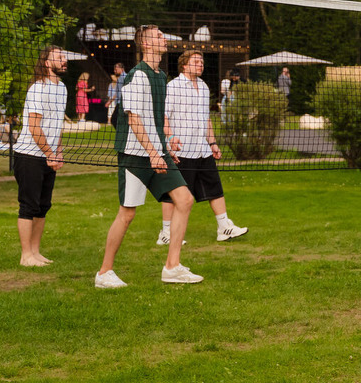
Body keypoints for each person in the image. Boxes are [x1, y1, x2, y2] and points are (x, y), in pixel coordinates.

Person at [95, 25, 204, 288]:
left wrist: (165, 145)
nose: (163, 38)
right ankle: (104, 273)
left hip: (156, 152)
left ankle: (172, 266)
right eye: (157, 36)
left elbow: (153, 119)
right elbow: (133, 119)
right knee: (127, 214)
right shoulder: (136, 76)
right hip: (135, 155)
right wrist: (154, 153)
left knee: (185, 200)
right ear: (145, 44)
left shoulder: (160, 76)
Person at [158, 50, 249, 245]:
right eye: (196, 61)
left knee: (214, 187)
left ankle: (224, 227)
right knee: (173, 193)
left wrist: (213, 143)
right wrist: (171, 137)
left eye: (202, 61)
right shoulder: (173, 87)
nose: (201, 64)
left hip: (202, 149)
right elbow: (162, 116)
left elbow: (205, 119)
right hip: (180, 149)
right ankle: (165, 233)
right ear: (184, 65)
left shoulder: (204, 86)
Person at [13, 45, 68, 267]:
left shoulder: (62, 88)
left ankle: (35, 252)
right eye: (59, 57)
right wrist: (49, 153)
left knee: (43, 206)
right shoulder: (38, 88)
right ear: (47, 63)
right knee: (29, 205)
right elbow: (34, 127)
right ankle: (25, 255)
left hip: (48, 155)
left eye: (64, 56)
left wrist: (59, 151)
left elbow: (57, 125)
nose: (64, 60)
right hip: (29, 155)